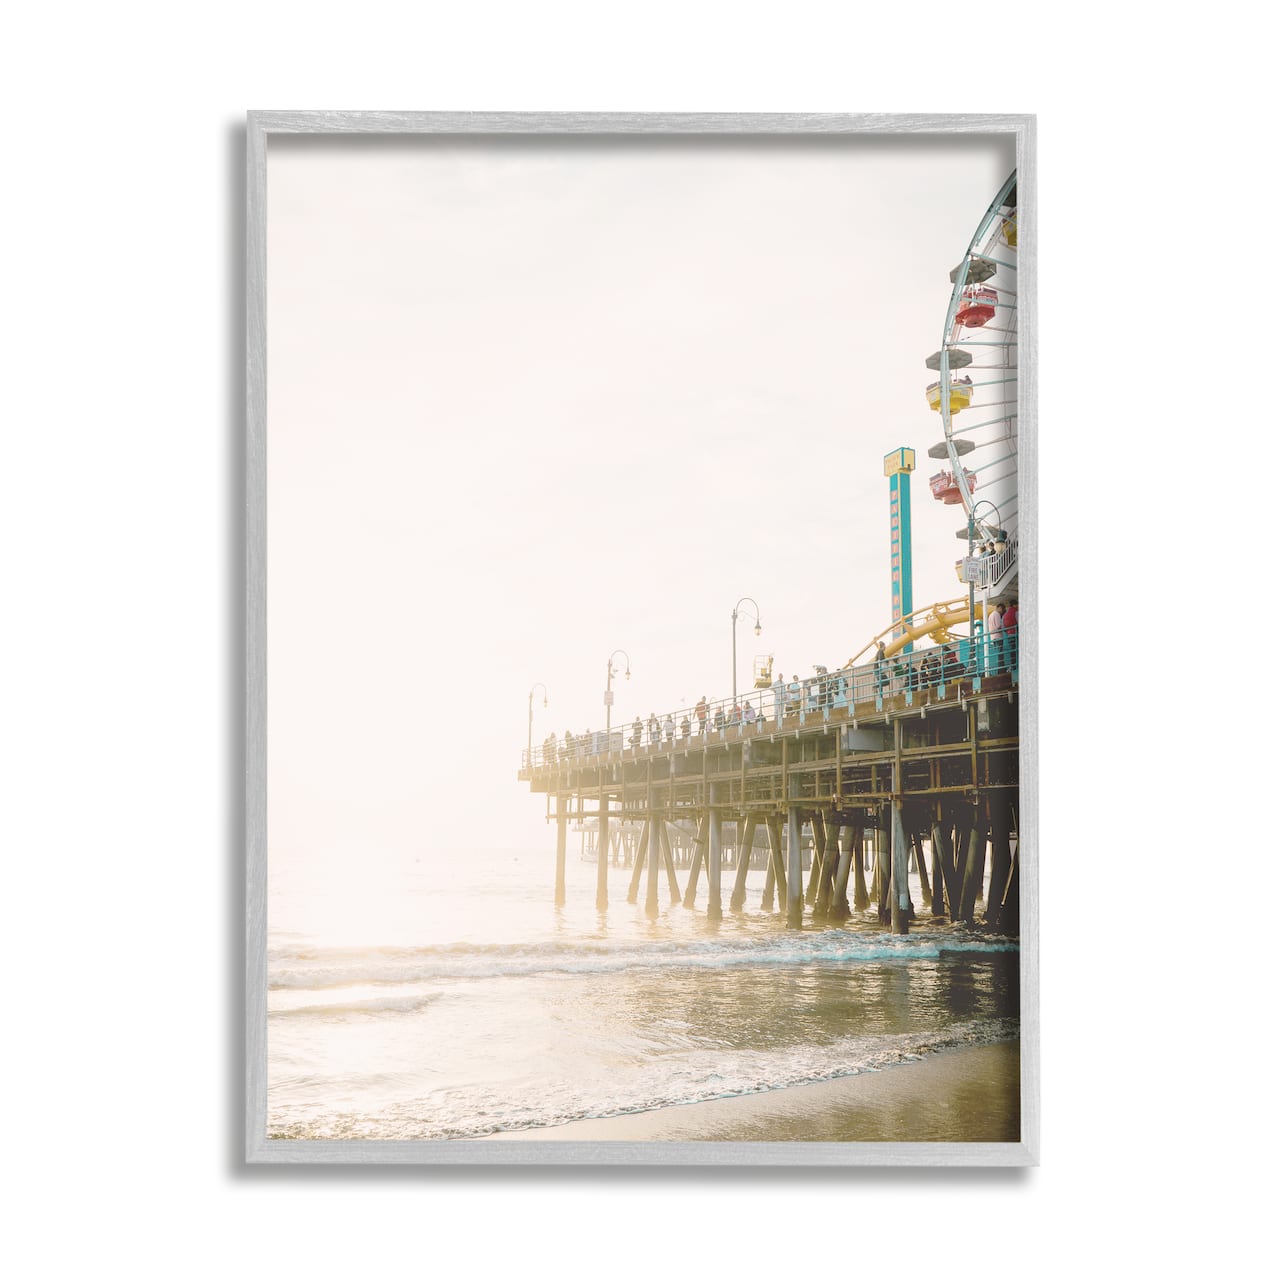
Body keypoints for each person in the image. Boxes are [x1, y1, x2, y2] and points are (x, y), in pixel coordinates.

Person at [988, 602, 1005, 673]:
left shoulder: (991, 615)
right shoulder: (997, 614)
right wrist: (1003, 627)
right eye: (1002, 610)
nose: (1002, 612)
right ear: (999, 608)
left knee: (997, 653)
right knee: (1000, 653)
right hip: (998, 636)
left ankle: (999, 670)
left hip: (992, 637)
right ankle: (1001, 670)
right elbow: (998, 625)